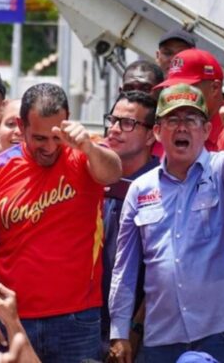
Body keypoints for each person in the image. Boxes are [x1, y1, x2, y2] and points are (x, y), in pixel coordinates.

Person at [0, 83, 122, 362]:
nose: (49, 148)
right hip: (12, 318)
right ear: (21, 126)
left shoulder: (86, 153)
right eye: (39, 138)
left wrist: (86, 145)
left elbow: (111, 173)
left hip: (77, 319)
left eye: (55, 137)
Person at [109, 84, 224, 363]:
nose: (182, 128)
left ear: (206, 131)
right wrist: (119, 331)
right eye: (173, 120)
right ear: (157, 132)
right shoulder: (140, 189)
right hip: (162, 338)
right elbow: (124, 268)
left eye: (191, 120)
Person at [101, 91, 159, 358]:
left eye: (127, 123)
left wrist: (134, 327)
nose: (114, 129)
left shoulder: (163, 185)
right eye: (113, 120)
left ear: (151, 135)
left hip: (146, 330)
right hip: (90, 323)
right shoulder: (94, 177)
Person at [154, 49, 224, 151]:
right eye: (172, 88)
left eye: (187, 88)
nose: (178, 95)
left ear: (215, 88)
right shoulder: (166, 134)